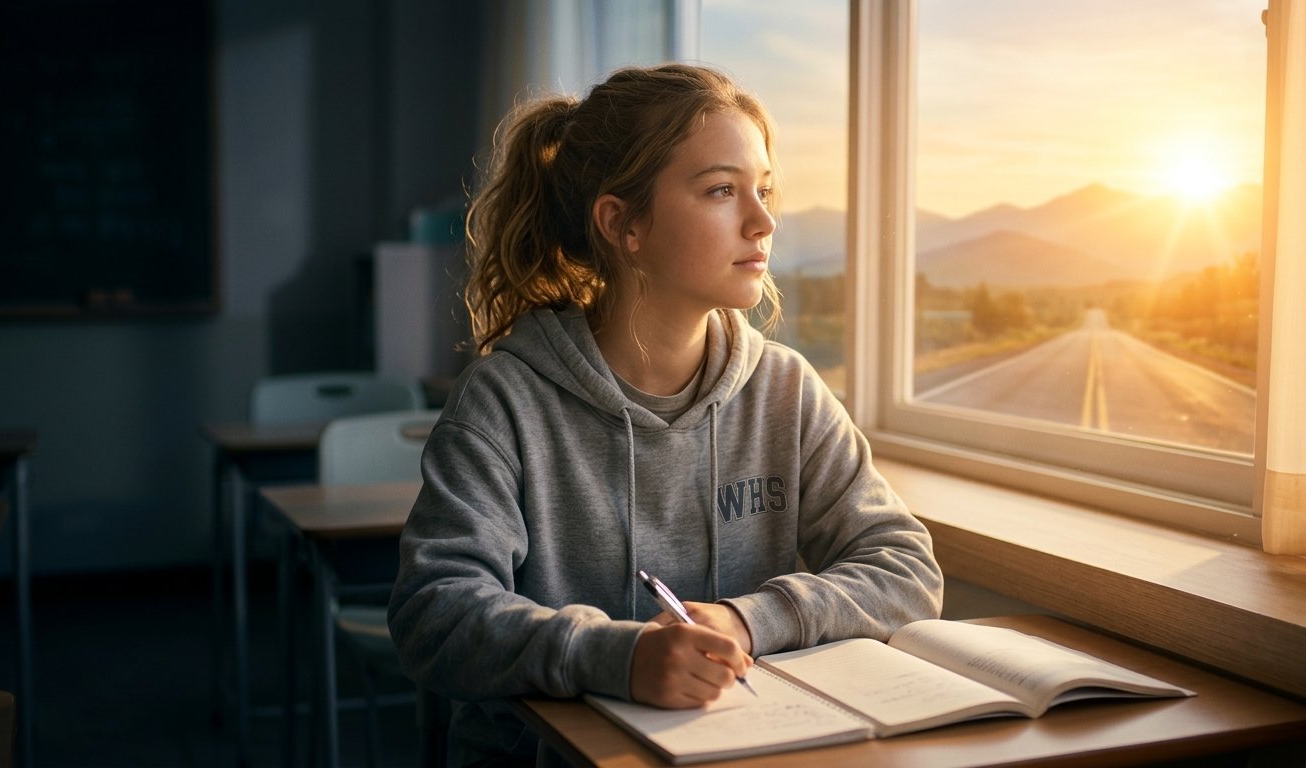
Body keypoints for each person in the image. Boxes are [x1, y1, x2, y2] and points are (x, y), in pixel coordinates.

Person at [386, 62, 944, 766]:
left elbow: (906, 569)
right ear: (623, 224)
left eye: (764, 191)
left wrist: (748, 620)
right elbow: (434, 612)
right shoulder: (504, 402)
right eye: (721, 191)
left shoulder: (785, 390)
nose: (764, 222)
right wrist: (616, 656)